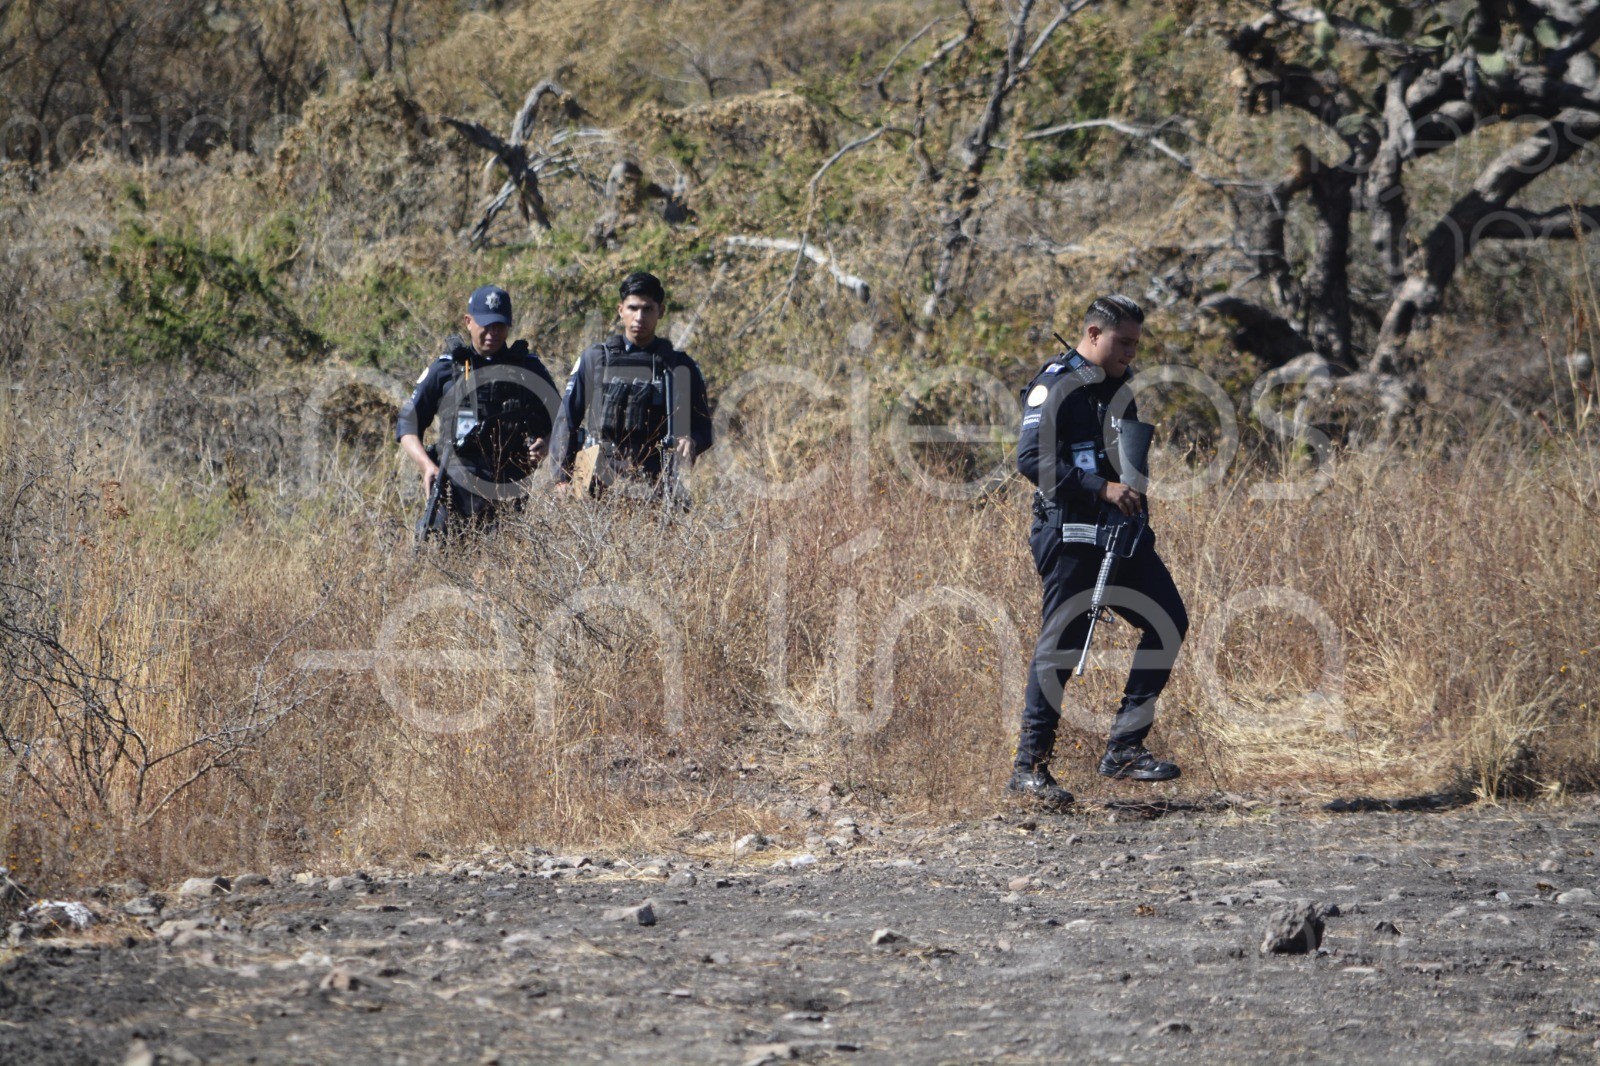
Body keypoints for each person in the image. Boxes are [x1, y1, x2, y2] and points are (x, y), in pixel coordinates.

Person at [1008, 295, 1190, 809]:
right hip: (1068, 532)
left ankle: (1125, 750)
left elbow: (1123, 462)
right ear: (1093, 334)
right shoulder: (1056, 384)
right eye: (1122, 342)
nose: (1131, 352)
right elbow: (1030, 460)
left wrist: (1133, 508)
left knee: (1169, 619)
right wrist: (1100, 490)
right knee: (1062, 645)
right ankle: (1029, 769)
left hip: (1118, 533)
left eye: (1136, 343)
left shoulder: (1118, 391)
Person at [397, 285, 560, 535]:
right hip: (454, 486)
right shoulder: (445, 369)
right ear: (468, 322)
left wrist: (546, 443)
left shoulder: (528, 369)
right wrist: (426, 466)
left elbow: (562, 421)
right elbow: (408, 426)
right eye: (485, 325)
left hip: (508, 486)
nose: (492, 333)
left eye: (499, 325)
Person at [549, 271, 713, 498]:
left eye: (648, 309)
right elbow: (566, 419)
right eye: (632, 308)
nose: (639, 317)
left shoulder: (680, 366)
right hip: (594, 473)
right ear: (620, 310)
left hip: (654, 476)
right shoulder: (595, 358)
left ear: (661, 312)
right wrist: (562, 478)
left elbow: (704, 427)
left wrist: (691, 440)